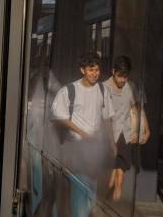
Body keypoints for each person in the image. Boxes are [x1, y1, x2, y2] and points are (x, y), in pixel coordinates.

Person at [50, 52, 115, 178]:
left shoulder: (103, 90)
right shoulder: (69, 90)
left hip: (95, 146)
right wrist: (82, 133)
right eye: (91, 70)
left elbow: (107, 119)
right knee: (75, 182)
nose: (95, 74)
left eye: (97, 70)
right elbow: (58, 118)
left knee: (91, 184)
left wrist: (112, 143)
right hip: (74, 146)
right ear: (82, 70)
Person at [103, 56, 150, 201]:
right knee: (111, 173)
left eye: (125, 76)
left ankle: (115, 199)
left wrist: (146, 130)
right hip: (108, 134)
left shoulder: (131, 87)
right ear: (113, 72)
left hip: (125, 132)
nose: (123, 80)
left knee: (120, 171)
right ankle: (106, 197)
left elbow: (139, 109)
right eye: (120, 76)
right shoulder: (104, 87)